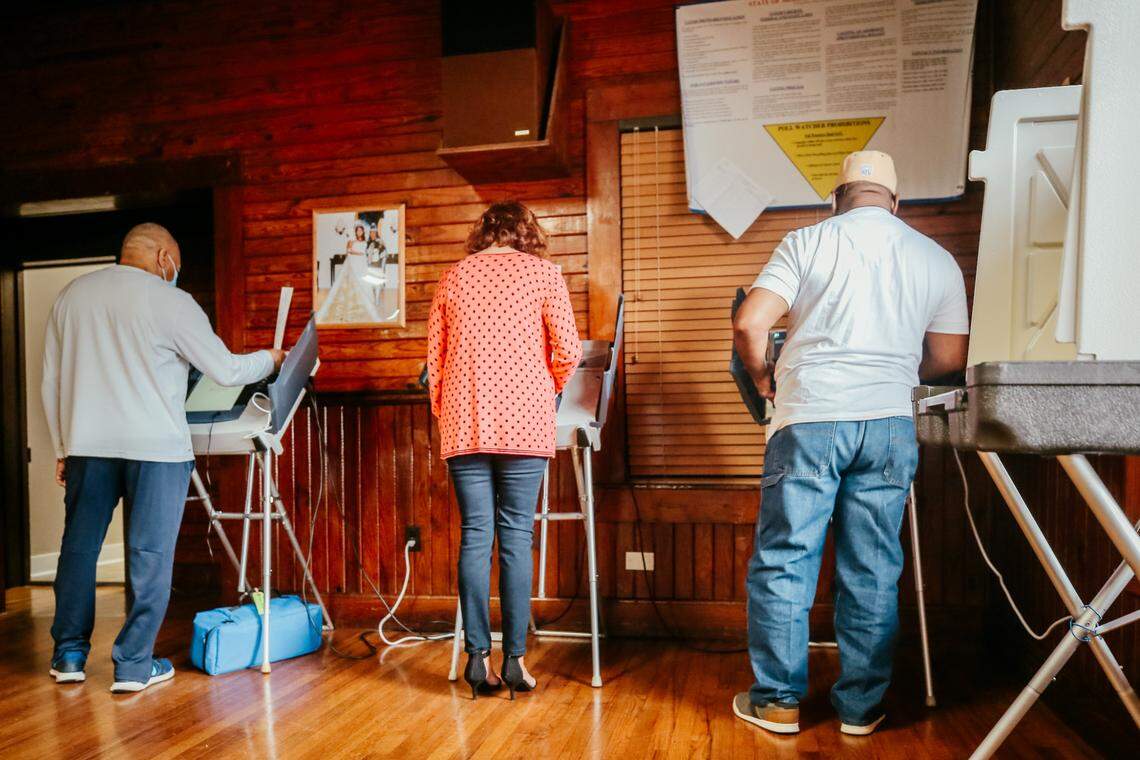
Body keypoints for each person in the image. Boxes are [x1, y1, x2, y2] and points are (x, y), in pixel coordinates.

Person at [731, 151, 969, 735]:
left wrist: (765, 377)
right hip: (889, 423)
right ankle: (861, 709)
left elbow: (748, 323)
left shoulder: (808, 241)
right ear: (896, 201)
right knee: (872, 566)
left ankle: (779, 702)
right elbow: (949, 357)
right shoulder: (934, 257)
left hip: (810, 416)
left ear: (835, 199)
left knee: (787, 560)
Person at [41, 223, 285, 693]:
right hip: (156, 448)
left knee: (78, 550)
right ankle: (133, 666)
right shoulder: (172, 302)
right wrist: (272, 360)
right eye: (175, 263)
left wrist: (61, 447)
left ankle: (68, 655)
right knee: (149, 554)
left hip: (87, 445)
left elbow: (52, 380)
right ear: (163, 256)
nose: (174, 271)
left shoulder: (72, 296)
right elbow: (226, 369)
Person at [427, 201, 582, 700]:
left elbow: (435, 358)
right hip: (525, 423)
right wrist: (547, 390)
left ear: (483, 233)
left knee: (476, 535)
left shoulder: (453, 277)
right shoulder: (544, 274)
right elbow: (570, 351)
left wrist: (444, 409)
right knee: (517, 536)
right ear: (526, 234)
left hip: (464, 419)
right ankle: (515, 660)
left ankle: (476, 659)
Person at [316, 219, 383, 324]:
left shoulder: (365, 242)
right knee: (353, 282)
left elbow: (367, 253)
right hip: (354, 263)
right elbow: (348, 252)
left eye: (361, 231)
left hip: (362, 264)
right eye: (358, 231)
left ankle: (366, 303)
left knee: (363, 281)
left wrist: (367, 256)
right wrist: (359, 254)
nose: (359, 232)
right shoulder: (351, 241)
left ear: (363, 232)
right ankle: (352, 304)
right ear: (356, 232)